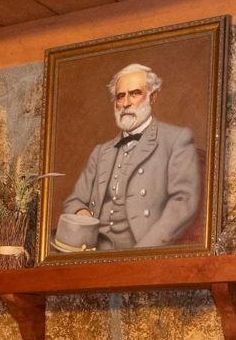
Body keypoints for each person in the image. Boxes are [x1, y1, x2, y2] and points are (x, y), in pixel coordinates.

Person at [54, 63, 200, 252]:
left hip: (141, 251)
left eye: (135, 93)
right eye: (120, 96)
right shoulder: (101, 152)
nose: (125, 103)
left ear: (153, 97)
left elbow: (184, 202)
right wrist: (82, 214)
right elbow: (74, 200)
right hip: (94, 253)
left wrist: (143, 252)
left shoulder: (175, 140)